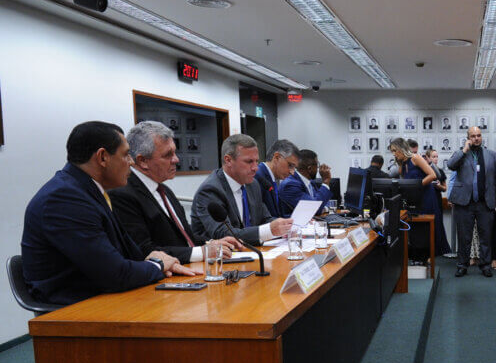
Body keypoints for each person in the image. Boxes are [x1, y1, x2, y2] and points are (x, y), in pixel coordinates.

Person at [22, 121, 198, 305]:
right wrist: (158, 265)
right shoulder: (63, 199)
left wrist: (156, 260)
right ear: (103, 157)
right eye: (125, 155)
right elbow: (115, 274)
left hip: (105, 297)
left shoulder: (87, 190)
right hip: (76, 310)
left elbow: (130, 254)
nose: (130, 162)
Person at [109, 121, 240, 265]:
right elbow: (143, 250)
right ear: (143, 161)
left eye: (175, 152)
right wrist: (202, 252)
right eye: (168, 155)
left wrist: (212, 243)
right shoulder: (123, 195)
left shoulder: (165, 191)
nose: (176, 159)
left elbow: (185, 237)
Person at [192, 134, 293, 245]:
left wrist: (287, 226)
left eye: (256, 161)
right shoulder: (210, 190)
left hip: (250, 252)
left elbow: (265, 219)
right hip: (218, 259)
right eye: (249, 162)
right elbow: (223, 233)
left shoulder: (253, 184)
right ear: (228, 160)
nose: (255, 168)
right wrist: (269, 230)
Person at [447, 126, 496, 277]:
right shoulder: (461, 153)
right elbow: (450, 165)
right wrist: (464, 150)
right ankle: (462, 265)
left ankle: (485, 265)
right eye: (473, 136)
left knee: (486, 236)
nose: (476, 138)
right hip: (464, 202)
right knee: (464, 236)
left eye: (478, 135)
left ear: (482, 137)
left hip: (485, 202)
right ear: (468, 138)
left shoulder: (491, 155)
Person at [396, 141, 449, 261]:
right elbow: (402, 178)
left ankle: (428, 257)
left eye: (395, 151)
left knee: (426, 228)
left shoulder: (415, 158)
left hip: (425, 196)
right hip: (414, 198)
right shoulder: (403, 163)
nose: (394, 154)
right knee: (416, 230)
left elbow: (433, 175)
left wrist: (417, 186)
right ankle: (419, 258)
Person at [255, 139, 300, 218]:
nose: (292, 172)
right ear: (276, 157)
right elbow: (261, 218)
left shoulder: (271, 178)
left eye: (294, 168)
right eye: (290, 165)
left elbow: (276, 215)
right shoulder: (257, 177)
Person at [279, 149, 332, 215]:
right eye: (317, 165)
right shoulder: (290, 185)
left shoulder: (310, 182)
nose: (318, 168)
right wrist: (326, 181)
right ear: (310, 168)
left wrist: (323, 208)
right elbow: (314, 209)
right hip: (293, 224)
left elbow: (323, 202)